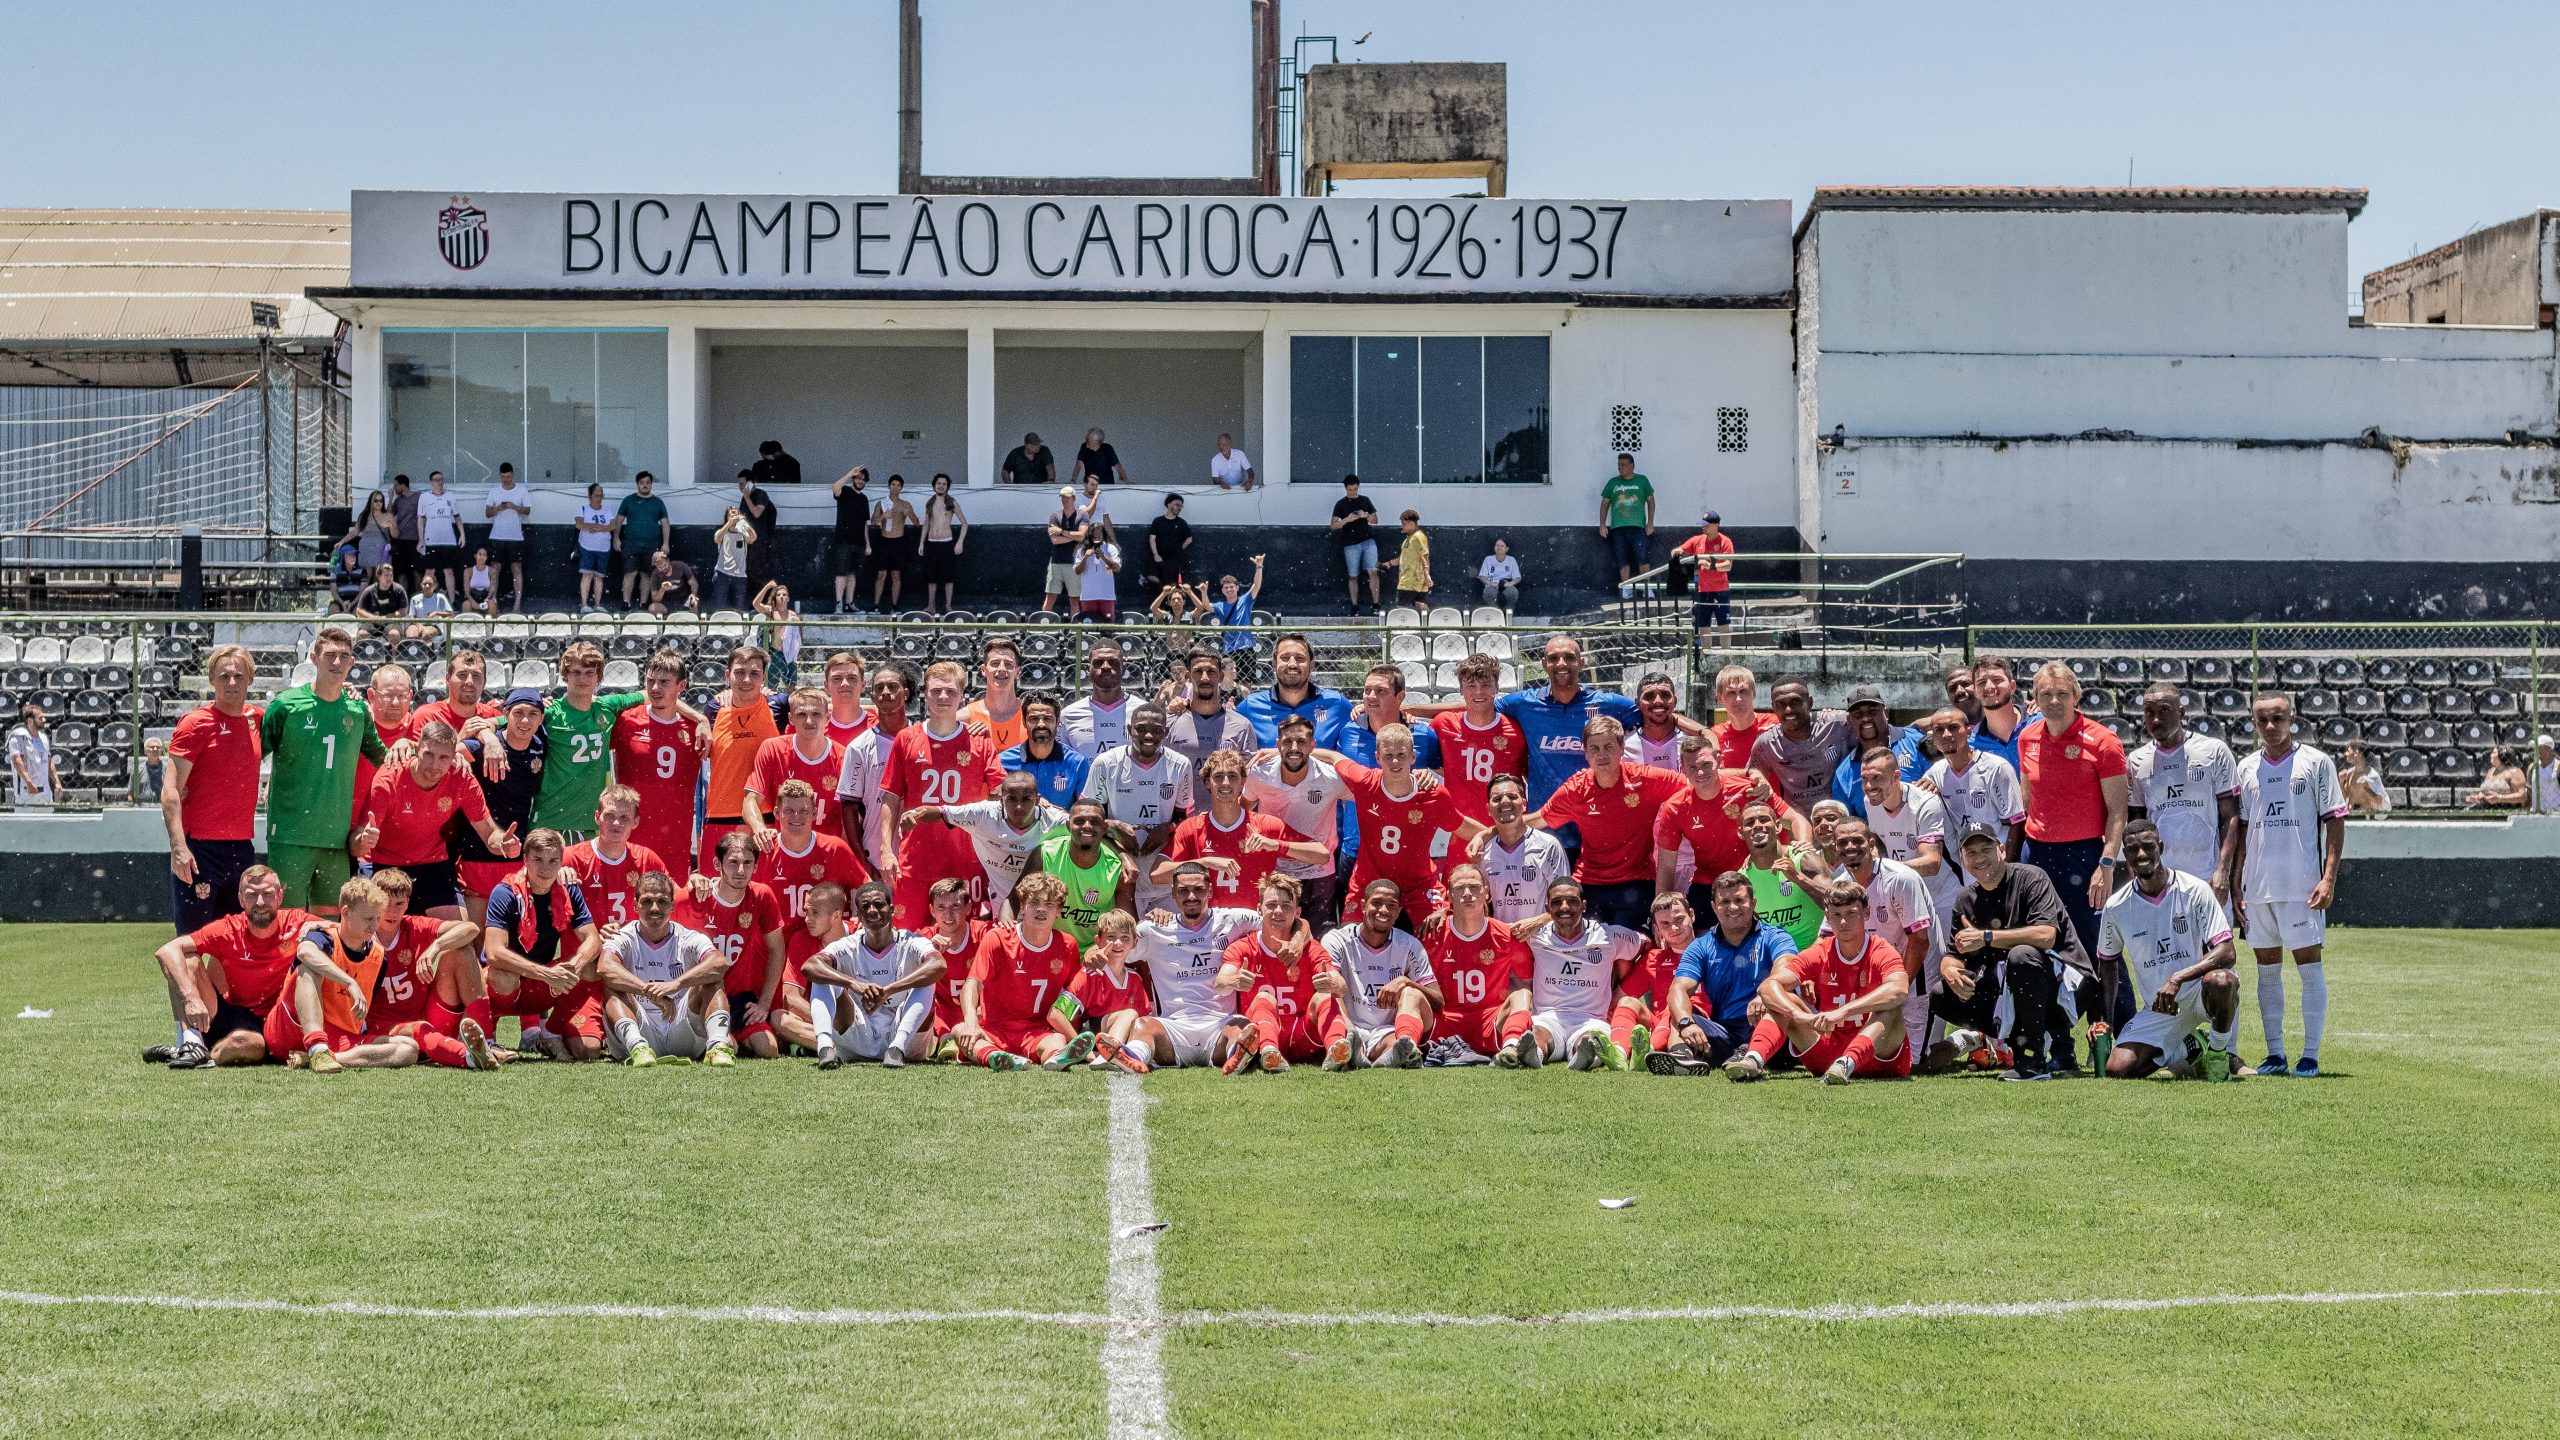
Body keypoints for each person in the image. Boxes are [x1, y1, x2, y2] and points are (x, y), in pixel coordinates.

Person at [2015, 661, 2131, 1051]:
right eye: (2045, 694)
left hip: (2085, 856)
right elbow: (2028, 803)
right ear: (2035, 698)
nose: (2053, 701)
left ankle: (2125, 1032)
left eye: (2062, 694)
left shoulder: (2103, 742)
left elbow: (2118, 812)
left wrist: (2107, 862)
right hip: (2038, 855)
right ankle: (2052, 1038)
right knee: (2044, 945)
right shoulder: (2027, 738)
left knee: (2098, 945)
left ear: (2077, 697)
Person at [2232, 693, 2347, 1079]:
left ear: (2292, 718)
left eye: (2277, 718)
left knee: (2309, 968)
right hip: (2257, 888)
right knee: (2266, 970)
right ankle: (2275, 1054)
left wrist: (2328, 878)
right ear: (2253, 722)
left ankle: (2310, 1056)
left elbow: (2335, 821)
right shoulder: (2246, 767)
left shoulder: (2316, 763)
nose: (2270, 726)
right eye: (2262, 719)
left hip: (2302, 887)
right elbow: (2242, 829)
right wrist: (2236, 886)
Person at [1937, 821, 2082, 1081]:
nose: (1979, 858)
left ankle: (2033, 1061)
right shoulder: (1965, 899)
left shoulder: (2031, 878)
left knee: (2022, 956)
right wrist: (1949, 970)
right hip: (2011, 988)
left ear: (2002, 850)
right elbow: (1953, 953)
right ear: (1962, 859)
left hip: (2064, 986)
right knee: (1941, 993)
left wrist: (1986, 937)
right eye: (1971, 853)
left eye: (1986, 849)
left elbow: (2046, 936)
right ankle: (2021, 1042)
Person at [1721, 887, 1910, 1085]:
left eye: (1851, 913)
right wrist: (1798, 1015)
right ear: (1827, 916)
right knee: (1783, 1001)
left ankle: (1848, 1062)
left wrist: (1843, 1011)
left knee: (1891, 1008)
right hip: (1827, 1054)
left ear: (1867, 913)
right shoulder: (1820, 951)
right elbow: (1768, 986)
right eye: (1836, 915)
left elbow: (1899, 989)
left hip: (1879, 1057)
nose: (1843, 922)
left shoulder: (1881, 949)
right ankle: (1753, 1060)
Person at [2098, 819, 2241, 1081]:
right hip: (2160, 1007)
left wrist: (2178, 978)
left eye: (2148, 847)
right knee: (2117, 1070)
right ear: (2125, 854)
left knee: (2222, 980)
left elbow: (2227, 952)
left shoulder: (2195, 890)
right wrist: (2104, 1019)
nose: (2141, 854)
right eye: (2132, 849)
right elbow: (2108, 963)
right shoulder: (2116, 907)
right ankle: (2191, 1047)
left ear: (2160, 847)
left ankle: (2218, 1054)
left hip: (2200, 994)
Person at [260, 629, 384, 915]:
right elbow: (253, 755)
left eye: (343, 657)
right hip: (290, 835)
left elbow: (381, 757)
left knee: (330, 923)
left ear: (352, 662)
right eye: (330, 655)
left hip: (336, 839)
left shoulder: (357, 711)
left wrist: (408, 750)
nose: (337, 663)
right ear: (314, 658)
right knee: (284, 920)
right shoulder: (286, 705)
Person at [876, 660, 1007, 925]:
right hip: (915, 859)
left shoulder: (980, 742)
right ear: (925, 693)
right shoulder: (907, 738)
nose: (943, 697)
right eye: (936, 690)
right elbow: (890, 796)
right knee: (910, 939)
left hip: (966, 860)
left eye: (950, 691)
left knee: (964, 942)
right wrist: (885, 850)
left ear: (962, 696)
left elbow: (1000, 795)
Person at [1524, 716, 1685, 929]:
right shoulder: (1576, 790)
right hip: (1590, 883)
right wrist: (1485, 833)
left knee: (1627, 957)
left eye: (1608, 747)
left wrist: (1743, 779)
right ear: (1585, 752)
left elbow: (1699, 783)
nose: (1601, 755)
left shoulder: (1644, 779)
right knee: (1590, 953)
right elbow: (1538, 819)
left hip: (1636, 881)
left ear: (1622, 748)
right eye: (1595, 749)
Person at [356, 719, 519, 920]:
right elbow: (357, 846)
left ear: (454, 757)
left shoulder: (461, 777)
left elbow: (490, 834)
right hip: (383, 862)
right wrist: (363, 842)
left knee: (460, 935)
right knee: (375, 932)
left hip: (431, 862)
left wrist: (503, 843)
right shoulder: (390, 777)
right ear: (416, 750)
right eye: (428, 755)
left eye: (443, 757)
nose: (434, 765)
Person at [149, 867, 304, 1067]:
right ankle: (189, 1043)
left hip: (276, 1021)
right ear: (240, 899)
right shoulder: (228, 928)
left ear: (279, 896)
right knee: (187, 958)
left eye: (267, 894)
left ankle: (196, 1055)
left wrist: (317, 931)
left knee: (246, 1044)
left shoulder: (298, 922)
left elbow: (343, 935)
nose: (260, 902)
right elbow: (167, 951)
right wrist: (191, 998)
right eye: (251, 895)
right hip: (231, 1014)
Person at [352, 867, 499, 1071]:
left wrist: (436, 947)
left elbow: (471, 929)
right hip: (383, 1027)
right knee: (421, 1030)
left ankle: (488, 1042)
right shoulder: (359, 934)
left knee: (460, 950)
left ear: (408, 904)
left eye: (399, 904)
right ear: (374, 902)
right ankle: (470, 1056)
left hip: (430, 1016)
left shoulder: (414, 926)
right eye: (386, 903)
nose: (392, 911)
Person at [1647, 872, 1795, 1074]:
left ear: (1753, 903)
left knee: (1777, 1003)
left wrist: (1766, 992)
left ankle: (1752, 1055)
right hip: (1725, 1033)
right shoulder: (1701, 945)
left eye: (1739, 900)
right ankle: (1681, 1059)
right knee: (1679, 1013)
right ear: (1714, 907)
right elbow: (1678, 988)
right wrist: (1686, 1023)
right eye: (1725, 901)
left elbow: (1788, 967)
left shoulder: (1775, 936)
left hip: (1772, 1029)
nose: (1733, 907)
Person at [161, 647, 264, 933]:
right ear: (211, 680)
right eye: (224, 676)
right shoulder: (195, 723)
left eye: (238, 676)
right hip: (199, 850)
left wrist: (344, 691)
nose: (232, 683)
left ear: (250, 680)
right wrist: (179, 847)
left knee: (235, 942)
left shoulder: (259, 720)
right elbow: (170, 791)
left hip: (241, 848)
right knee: (191, 942)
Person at [527, 641, 672, 841]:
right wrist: (488, 733)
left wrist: (699, 718)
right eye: (576, 672)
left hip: (590, 823)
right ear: (565, 675)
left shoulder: (607, 707)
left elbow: (654, 695)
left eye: (589, 672)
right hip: (550, 820)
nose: (583, 678)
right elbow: (503, 722)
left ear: (598, 677)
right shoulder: (550, 713)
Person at [482, 828, 605, 1062]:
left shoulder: (568, 889)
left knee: (593, 965)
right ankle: (488, 1034)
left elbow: (593, 939)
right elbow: (494, 953)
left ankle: (549, 1033)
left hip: (542, 984)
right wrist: (547, 974)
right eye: (537, 859)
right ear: (525, 859)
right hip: (504, 987)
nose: (545, 868)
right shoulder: (505, 891)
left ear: (561, 862)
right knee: (503, 976)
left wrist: (574, 968)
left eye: (553, 861)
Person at [1499, 878, 1649, 1070]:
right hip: (1548, 1016)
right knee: (1536, 1035)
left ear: (1583, 905)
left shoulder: (1608, 935)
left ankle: (1584, 1055)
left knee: (1589, 1040)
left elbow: (1647, 947)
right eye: (1556, 902)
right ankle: (1533, 1054)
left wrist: (1623, 989)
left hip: (1592, 1017)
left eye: (1572, 901)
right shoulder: (1535, 935)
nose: (1564, 907)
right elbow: (1496, 934)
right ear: (1547, 907)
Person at [597, 870, 737, 1067]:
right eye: (647, 901)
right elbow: (605, 968)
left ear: (672, 905)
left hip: (682, 1029)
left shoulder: (688, 937)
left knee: (712, 980)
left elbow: (719, 963)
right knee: (612, 987)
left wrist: (675, 985)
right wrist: (650, 991)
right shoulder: (623, 937)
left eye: (662, 901)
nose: (655, 908)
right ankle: (638, 1048)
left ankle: (718, 1047)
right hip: (640, 1026)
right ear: (635, 905)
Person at [1155, 750, 1326, 910]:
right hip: (1210, 927)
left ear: (1243, 782)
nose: (1226, 783)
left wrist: (1276, 845)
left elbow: (1322, 855)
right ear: (1208, 782)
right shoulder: (1191, 827)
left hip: (1255, 925)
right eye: (1218, 777)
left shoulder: (1267, 826)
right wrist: (1204, 863)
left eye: (1233, 776)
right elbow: (1157, 874)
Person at [260, 877, 398, 1074]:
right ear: (346, 913)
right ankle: (317, 1047)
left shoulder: (379, 955)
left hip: (339, 1036)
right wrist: (349, 982)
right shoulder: (321, 936)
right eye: (368, 919)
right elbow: (304, 952)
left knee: (407, 1049)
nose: (375, 926)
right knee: (309, 967)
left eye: (378, 918)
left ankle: (318, 1057)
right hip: (289, 1029)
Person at [952, 872, 1088, 1070]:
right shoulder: (997, 938)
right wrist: (972, 1020)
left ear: (1059, 910)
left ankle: (1055, 1058)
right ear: (1022, 907)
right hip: (995, 1030)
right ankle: (993, 1056)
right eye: (1034, 903)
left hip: (1038, 1031)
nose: (1041, 909)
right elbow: (972, 983)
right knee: (960, 1030)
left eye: (1049, 904)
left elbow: (1071, 994)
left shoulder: (1068, 945)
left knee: (1057, 1040)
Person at [1656, 732, 1798, 917]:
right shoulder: (1675, 807)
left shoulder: (1748, 788)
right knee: (1695, 935)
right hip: (1709, 882)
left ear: (1718, 760)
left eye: (1706, 764)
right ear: (1682, 768)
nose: (1700, 773)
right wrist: (1659, 915)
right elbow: (1666, 867)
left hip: (1754, 874)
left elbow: (1795, 820)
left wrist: (1802, 853)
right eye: (1692, 767)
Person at [1218, 874, 1348, 1072]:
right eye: (1271, 905)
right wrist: (1233, 980)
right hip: (1261, 1032)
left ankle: (1337, 1049)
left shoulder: (1312, 949)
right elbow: (1220, 982)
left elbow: (1342, 986)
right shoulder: (1243, 947)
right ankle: (1270, 1052)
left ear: (1297, 912)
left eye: (1286, 906)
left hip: (1304, 1034)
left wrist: (1333, 984)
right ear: (1258, 909)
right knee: (1263, 998)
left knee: (1324, 996)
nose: (1278, 911)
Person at [804, 881, 941, 1068]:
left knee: (927, 978)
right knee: (822, 977)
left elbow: (938, 964)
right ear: (858, 915)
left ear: (891, 909)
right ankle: (825, 1048)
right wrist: (853, 984)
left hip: (907, 1039)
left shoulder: (912, 941)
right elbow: (810, 966)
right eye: (865, 906)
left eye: (878, 904)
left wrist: (889, 990)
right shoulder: (847, 945)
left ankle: (896, 1049)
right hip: (859, 1035)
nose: (872, 911)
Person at [675, 831, 786, 1057]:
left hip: (739, 998)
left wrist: (764, 1003)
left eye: (747, 863)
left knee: (769, 1049)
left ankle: (736, 1036)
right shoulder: (693, 896)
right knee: (726, 1046)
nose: (740, 871)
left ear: (756, 866)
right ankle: (723, 1037)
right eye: (733, 863)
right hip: (703, 995)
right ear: (717, 864)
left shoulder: (762, 896)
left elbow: (777, 949)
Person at [2125, 683, 2242, 894]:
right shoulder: (2136, 761)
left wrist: (2222, 870)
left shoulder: (2213, 751)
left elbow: (2230, 816)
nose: (2156, 719)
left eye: (2164, 711)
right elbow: (2136, 823)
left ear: (2181, 712)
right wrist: (2138, 874)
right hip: (2160, 879)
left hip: (2207, 875)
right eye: (2149, 713)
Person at [901, 770, 1066, 915]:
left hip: (1042, 904)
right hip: (1002, 903)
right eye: (1011, 799)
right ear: (1001, 799)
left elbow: (1083, 823)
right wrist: (913, 814)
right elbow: (941, 812)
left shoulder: (1054, 820)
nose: (1018, 807)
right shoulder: (983, 815)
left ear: (1037, 800)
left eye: (1026, 799)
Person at [1081, 703, 1195, 913]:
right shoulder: (1105, 763)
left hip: (1162, 877)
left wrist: (1168, 828)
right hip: (1119, 875)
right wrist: (1113, 826)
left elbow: (1185, 817)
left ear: (1166, 732)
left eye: (1156, 730)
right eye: (1141, 729)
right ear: (1128, 729)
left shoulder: (1180, 764)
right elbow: (1086, 820)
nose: (1149, 736)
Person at [1243, 713, 1351, 925]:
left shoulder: (1330, 777)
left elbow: (1364, 785)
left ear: (1312, 745)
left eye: (1301, 742)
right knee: (1277, 941)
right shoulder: (1259, 774)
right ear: (1277, 744)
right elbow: (1242, 810)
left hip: (1319, 872)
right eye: (1287, 742)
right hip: (1275, 872)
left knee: (1319, 941)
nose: (1294, 748)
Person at [1320, 880, 1439, 1068]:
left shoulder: (1410, 945)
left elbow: (1438, 1002)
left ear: (1398, 912)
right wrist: (1350, 1030)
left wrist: (1405, 982)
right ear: (1362, 906)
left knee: (1412, 993)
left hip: (1389, 1031)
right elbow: (1330, 987)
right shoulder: (1336, 940)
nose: (1383, 910)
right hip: (1347, 1024)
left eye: (1391, 905)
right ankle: (1353, 1044)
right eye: (1376, 903)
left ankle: (1403, 1047)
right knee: (1328, 988)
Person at [457, 689, 552, 922]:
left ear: (541, 718)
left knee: (510, 935)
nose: (525, 721)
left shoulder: (541, 745)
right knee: (475, 935)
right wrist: (458, 750)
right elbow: (451, 752)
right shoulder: (484, 748)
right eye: (518, 713)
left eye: (533, 714)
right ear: (506, 714)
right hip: (477, 851)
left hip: (515, 851)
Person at [1421, 863, 1533, 1057]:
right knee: (1410, 994)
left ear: (1486, 893)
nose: (1467, 893)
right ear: (1449, 896)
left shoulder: (1508, 936)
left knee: (1522, 994)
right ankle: (1405, 1049)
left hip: (1490, 1023)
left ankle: (1511, 1048)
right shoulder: (1432, 935)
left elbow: (1527, 982)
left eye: (1474, 887)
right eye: (1459, 888)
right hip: (1445, 1023)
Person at [609, 652, 706, 870]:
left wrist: (702, 719)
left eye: (664, 682)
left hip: (676, 839)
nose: (655, 688)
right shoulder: (627, 721)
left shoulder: (695, 730)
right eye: (650, 681)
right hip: (631, 835)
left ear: (681, 686)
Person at [563, 784, 674, 937]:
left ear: (635, 822)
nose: (616, 823)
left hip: (632, 957)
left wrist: (696, 881)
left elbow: (677, 901)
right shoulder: (570, 858)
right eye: (609, 816)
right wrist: (552, 878)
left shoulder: (646, 859)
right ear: (597, 817)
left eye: (624, 818)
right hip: (582, 956)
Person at [744, 686, 848, 846]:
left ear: (827, 717)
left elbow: (851, 814)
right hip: (785, 847)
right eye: (801, 714)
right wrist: (759, 829)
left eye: (816, 714)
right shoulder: (773, 749)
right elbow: (750, 799)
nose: (809, 721)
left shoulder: (844, 756)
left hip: (827, 850)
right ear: (791, 718)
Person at [1058, 910, 1157, 1074]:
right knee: (1130, 1013)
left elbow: (1142, 1020)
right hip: (1091, 1031)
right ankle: (1109, 1055)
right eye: (1111, 937)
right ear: (1098, 941)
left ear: (1134, 942)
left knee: (1136, 1019)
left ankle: (1115, 1052)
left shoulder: (1134, 978)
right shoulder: (1089, 974)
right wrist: (1085, 1051)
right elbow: (1056, 1014)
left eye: (1125, 937)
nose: (1118, 943)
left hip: (1120, 1036)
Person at [1918, 707, 2025, 850]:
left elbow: (2016, 823)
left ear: (1968, 731)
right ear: (1933, 738)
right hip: (1965, 864)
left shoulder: (1996, 768)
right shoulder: (1934, 774)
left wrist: (2008, 867)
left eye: (1953, 727)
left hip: (1998, 860)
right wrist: (1923, 792)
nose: (1946, 734)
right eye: (1939, 730)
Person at [1035, 796, 1134, 950]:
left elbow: (1126, 926)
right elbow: (1017, 901)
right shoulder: (1045, 855)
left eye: (1094, 822)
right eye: (1079, 821)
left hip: (1096, 953)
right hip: (1048, 949)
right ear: (1068, 826)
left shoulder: (1118, 869)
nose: (1087, 826)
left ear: (1104, 828)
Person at [1475, 773, 1573, 924]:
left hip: (1542, 941)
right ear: (1488, 809)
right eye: (1497, 799)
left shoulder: (1548, 846)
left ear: (1524, 804)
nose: (1505, 801)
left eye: (1512, 796)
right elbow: (1480, 907)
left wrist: (1536, 923)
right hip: (1503, 942)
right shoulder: (1483, 853)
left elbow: (1565, 901)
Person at [1748, 680, 1854, 816]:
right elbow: (1754, 769)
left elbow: (1874, 731)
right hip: (1800, 824)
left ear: (1810, 703)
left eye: (1795, 702)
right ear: (1773, 707)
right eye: (1781, 704)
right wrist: (1758, 777)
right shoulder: (1767, 743)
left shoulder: (1838, 724)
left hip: (1842, 823)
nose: (1788, 710)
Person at [1829, 684, 1931, 819]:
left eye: (1872, 711)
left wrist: (1933, 781)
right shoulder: (1843, 773)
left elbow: (1944, 777)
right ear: (1849, 721)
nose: (1866, 718)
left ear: (1886, 713)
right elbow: (1848, 822)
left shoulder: (1917, 742)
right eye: (1858, 714)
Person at [1162, 649, 1256, 771]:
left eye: (1211, 671)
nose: (1204, 678)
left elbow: (1249, 775)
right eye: (1198, 671)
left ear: (1221, 676)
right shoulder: (1170, 723)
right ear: (1188, 676)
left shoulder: (1242, 726)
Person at [1000, 692, 1091, 811]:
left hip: (1060, 828)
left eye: (1048, 719)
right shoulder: (1003, 761)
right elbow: (995, 804)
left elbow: (1086, 810)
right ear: (1024, 722)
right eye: (1034, 719)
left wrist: (1061, 817)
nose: (1041, 724)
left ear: (1058, 722)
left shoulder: (1077, 763)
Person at [1059, 637, 1134, 758]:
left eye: (1113, 662)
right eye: (1098, 662)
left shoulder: (1141, 712)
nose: (1105, 667)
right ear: (1087, 670)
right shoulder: (1067, 716)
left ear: (1123, 669)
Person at [1673, 509, 1736, 644]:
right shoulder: (1697, 540)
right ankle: (1706, 656)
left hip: (1720, 590)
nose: (1703, 527)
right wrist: (1679, 553)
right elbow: (1679, 550)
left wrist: (1710, 565)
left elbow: (1728, 565)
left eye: (1707, 525)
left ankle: (1726, 657)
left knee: (1723, 625)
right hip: (1702, 590)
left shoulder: (1725, 541)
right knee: (1703, 626)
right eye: (1703, 524)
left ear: (1716, 525)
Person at [615, 471, 671, 610]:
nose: (645, 485)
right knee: (630, 573)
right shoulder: (628, 500)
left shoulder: (658, 503)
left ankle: (643, 603)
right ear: (637, 484)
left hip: (652, 547)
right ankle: (626, 602)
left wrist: (665, 543)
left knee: (647, 575)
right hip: (630, 545)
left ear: (651, 484)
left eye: (647, 483)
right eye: (642, 483)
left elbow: (665, 524)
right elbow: (619, 521)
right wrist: (615, 538)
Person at [1599, 452, 1656, 584]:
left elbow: (1651, 502)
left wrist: (1650, 523)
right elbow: (1605, 503)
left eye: (1623, 465)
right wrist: (1602, 525)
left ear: (1632, 466)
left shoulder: (1642, 480)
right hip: (1618, 527)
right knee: (1622, 559)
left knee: (1642, 558)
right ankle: (1626, 588)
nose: (1620, 468)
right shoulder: (1612, 483)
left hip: (1638, 527)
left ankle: (1648, 587)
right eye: (1619, 465)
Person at [1329, 474, 1382, 612]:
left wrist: (1367, 516)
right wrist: (1347, 519)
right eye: (1350, 490)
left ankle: (1376, 604)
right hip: (1350, 544)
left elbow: (1376, 520)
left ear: (1358, 488)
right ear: (1346, 489)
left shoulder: (1365, 500)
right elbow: (1333, 525)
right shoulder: (1341, 504)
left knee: (1373, 571)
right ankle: (1354, 605)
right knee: (1353, 575)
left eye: (1355, 489)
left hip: (1368, 540)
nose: (1353, 492)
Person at [862, 474, 914, 612]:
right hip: (884, 541)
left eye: (898, 485)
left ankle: (895, 606)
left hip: (899, 542)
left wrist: (909, 514)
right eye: (893, 484)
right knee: (881, 575)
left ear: (901, 488)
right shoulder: (881, 503)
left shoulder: (905, 504)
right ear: (889, 486)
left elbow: (916, 522)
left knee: (896, 576)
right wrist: (882, 516)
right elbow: (873, 521)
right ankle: (875, 605)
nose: (895, 487)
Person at [483, 462, 531, 611]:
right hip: (497, 536)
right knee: (494, 569)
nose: (506, 479)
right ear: (499, 476)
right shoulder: (494, 491)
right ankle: (493, 603)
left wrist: (513, 506)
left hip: (515, 537)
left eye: (508, 476)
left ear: (512, 475)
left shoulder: (521, 490)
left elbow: (527, 511)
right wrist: (498, 508)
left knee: (516, 569)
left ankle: (517, 604)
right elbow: (487, 513)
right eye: (503, 477)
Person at [917, 473, 968, 614]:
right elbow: (926, 525)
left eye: (944, 484)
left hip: (947, 544)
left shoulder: (952, 503)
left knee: (948, 577)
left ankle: (948, 606)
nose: (941, 486)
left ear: (948, 487)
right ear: (934, 485)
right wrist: (921, 543)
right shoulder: (929, 502)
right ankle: (931, 606)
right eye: (938, 483)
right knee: (931, 577)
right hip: (931, 544)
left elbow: (964, 524)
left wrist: (960, 543)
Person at [1207, 559, 1263, 681]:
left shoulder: (1246, 600)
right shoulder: (1220, 606)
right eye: (1226, 587)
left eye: (1232, 586)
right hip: (1229, 649)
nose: (1229, 589)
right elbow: (1206, 606)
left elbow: (1256, 585)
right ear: (1222, 590)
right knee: (1228, 682)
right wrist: (1202, 592)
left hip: (1246, 647)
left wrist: (1259, 566)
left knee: (1247, 682)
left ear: (1237, 588)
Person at [827, 466, 872, 613]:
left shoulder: (864, 499)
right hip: (843, 541)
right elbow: (835, 488)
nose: (860, 481)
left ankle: (849, 603)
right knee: (841, 573)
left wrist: (867, 544)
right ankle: (838, 604)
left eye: (863, 479)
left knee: (853, 574)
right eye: (858, 478)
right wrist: (849, 474)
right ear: (853, 479)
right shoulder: (845, 491)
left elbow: (865, 523)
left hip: (859, 542)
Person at [1970, 656, 2028, 769]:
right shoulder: (1972, 745)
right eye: (1981, 682)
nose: (1989, 687)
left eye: (1997, 680)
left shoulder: (2038, 723)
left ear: (2012, 687)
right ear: (1975, 692)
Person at [1040, 485, 1087, 616]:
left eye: (1067, 497)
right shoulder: (1054, 516)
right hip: (1056, 562)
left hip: (1074, 563)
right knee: (1050, 598)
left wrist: (1061, 532)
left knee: (1074, 600)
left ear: (1073, 498)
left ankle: (1075, 630)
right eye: (1062, 497)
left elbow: (1082, 535)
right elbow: (1055, 540)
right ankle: (1045, 626)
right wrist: (1074, 537)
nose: (1064, 500)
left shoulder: (1082, 515)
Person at [417, 471, 464, 599]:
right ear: (431, 482)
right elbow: (420, 519)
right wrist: (421, 540)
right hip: (431, 540)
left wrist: (462, 535)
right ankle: (426, 600)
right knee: (429, 572)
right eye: (436, 480)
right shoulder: (424, 497)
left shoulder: (450, 496)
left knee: (448, 571)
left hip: (448, 540)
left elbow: (457, 517)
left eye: (441, 479)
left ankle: (452, 602)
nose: (439, 482)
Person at [735, 468, 777, 593]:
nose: (740, 487)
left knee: (758, 571)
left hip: (761, 540)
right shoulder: (744, 500)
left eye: (742, 484)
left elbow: (757, 513)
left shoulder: (760, 495)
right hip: (747, 541)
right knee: (748, 570)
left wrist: (747, 497)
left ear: (750, 483)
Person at [5, 701, 54, 807]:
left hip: (45, 793)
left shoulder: (44, 738)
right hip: (26, 792)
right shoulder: (18, 737)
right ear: (30, 720)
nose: (44, 720)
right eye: (40, 718)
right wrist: (29, 782)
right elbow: (17, 761)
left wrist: (57, 782)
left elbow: (49, 760)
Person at [573, 482, 614, 609]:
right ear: (590, 496)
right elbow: (579, 524)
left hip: (603, 548)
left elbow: (613, 525)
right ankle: (584, 604)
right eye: (596, 495)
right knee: (587, 575)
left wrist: (600, 528)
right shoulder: (583, 509)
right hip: (587, 547)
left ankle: (597, 604)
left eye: (601, 495)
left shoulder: (607, 511)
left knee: (599, 577)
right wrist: (591, 526)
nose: (599, 498)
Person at [709, 504, 755, 612]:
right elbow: (717, 539)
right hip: (722, 574)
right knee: (720, 608)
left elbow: (753, 537)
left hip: (740, 576)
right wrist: (729, 523)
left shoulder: (743, 532)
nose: (734, 516)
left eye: (736, 513)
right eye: (731, 514)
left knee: (738, 609)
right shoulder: (722, 531)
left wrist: (744, 523)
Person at [1146, 493, 1194, 597]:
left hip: (1174, 560)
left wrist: (1179, 549)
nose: (1179, 507)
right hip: (1159, 557)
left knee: (1172, 584)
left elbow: (1189, 539)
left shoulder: (1181, 523)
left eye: (1180, 505)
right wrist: (1156, 554)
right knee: (1153, 579)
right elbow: (1152, 538)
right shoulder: (1158, 521)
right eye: (1176, 504)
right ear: (1168, 504)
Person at [1383, 509, 1432, 609]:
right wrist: (1389, 563)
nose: (1402, 526)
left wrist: (1427, 576)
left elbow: (1424, 556)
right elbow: (1403, 558)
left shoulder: (1418, 537)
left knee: (1401, 607)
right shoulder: (1408, 539)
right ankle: (1427, 623)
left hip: (1410, 580)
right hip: (1412, 580)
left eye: (1404, 524)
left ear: (1411, 524)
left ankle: (1404, 624)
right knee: (1419, 604)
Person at [1074, 529, 1121, 620]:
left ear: (1103, 535)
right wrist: (1085, 557)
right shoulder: (1082, 550)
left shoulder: (1110, 548)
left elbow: (1117, 568)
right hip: (1088, 596)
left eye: (1099, 536)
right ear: (1090, 536)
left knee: (1108, 626)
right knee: (1088, 625)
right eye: (1094, 536)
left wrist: (1104, 557)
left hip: (1106, 595)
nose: (1096, 539)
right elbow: (1077, 571)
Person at [388, 474, 422, 590]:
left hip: (414, 539)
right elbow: (388, 516)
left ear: (403, 485)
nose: (394, 488)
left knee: (416, 570)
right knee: (401, 571)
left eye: (396, 485)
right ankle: (404, 598)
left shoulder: (418, 497)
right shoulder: (398, 501)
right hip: (400, 540)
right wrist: (390, 497)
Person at [2340, 741, 2393, 816]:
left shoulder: (2372, 776)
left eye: (2348, 751)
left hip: (2369, 820)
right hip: (2352, 819)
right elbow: (2346, 797)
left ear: (2357, 753)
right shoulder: (2349, 774)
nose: (2346, 753)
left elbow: (2378, 804)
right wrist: (2341, 782)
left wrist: (2366, 787)